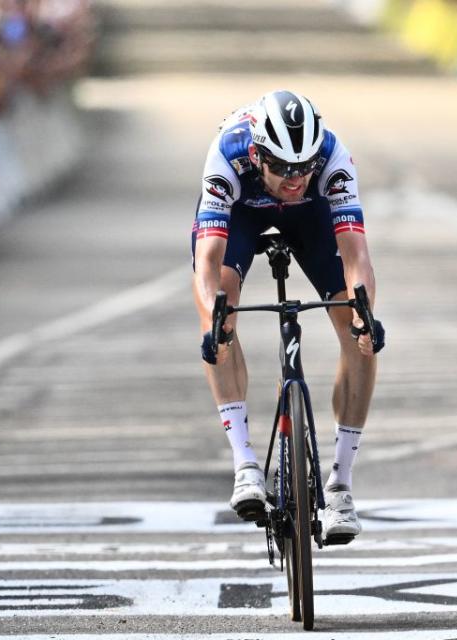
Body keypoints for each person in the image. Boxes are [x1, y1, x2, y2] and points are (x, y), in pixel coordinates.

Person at [191, 89, 383, 544]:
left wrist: (364, 315)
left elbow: (357, 255)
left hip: (312, 219)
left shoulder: (332, 158)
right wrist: (214, 316)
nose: (295, 178)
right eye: (281, 168)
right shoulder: (228, 155)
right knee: (220, 311)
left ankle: (340, 484)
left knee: (356, 327)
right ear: (258, 155)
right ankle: (244, 465)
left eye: (305, 166)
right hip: (242, 214)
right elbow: (208, 259)